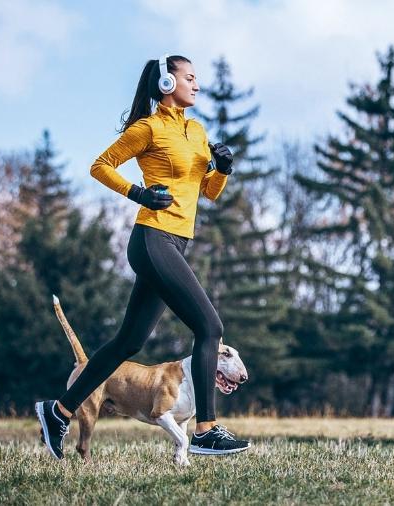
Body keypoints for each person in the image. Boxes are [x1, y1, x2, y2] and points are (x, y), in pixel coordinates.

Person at [35, 54, 249, 460]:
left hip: (175, 242)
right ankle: (206, 429)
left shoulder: (197, 130)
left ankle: (58, 411)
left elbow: (210, 192)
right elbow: (101, 166)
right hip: (153, 238)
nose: (197, 85)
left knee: (128, 342)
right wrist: (138, 193)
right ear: (168, 83)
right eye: (190, 77)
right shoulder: (148, 128)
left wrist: (223, 168)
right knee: (210, 327)